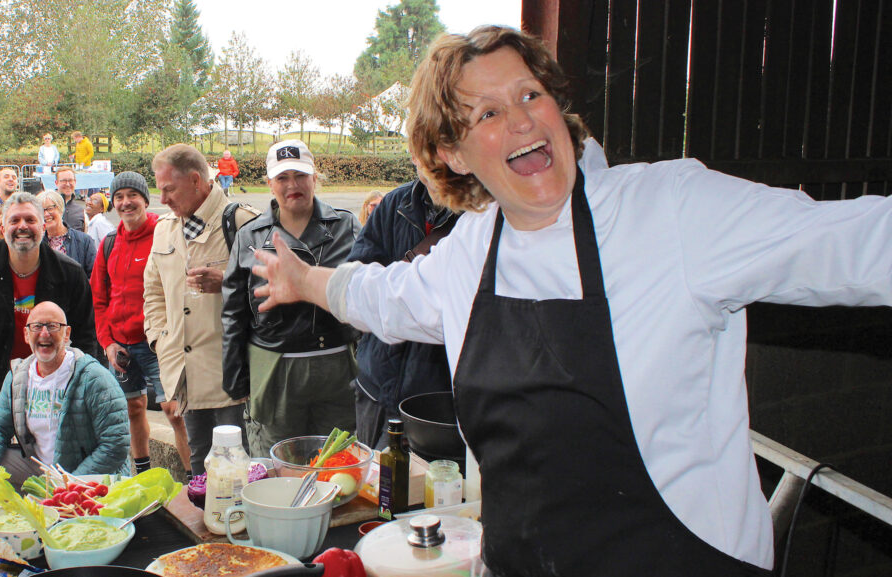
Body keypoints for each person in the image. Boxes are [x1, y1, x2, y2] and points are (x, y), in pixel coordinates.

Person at [248, 26, 892, 576]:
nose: (523, 119)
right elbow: (386, 297)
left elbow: (858, 244)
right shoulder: (474, 247)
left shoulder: (670, 211)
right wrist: (305, 281)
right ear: (453, 153)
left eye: (531, 95)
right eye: (488, 113)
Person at [221, 139, 360, 458]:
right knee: (276, 467)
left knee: (338, 465)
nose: (292, 185)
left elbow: (365, 294)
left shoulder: (346, 226)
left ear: (315, 177)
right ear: (269, 183)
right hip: (275, 370)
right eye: (282, 177)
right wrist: (237, 381)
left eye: (300, 175)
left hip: (337, 368)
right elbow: (233, 313)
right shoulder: (250, 236)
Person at [0, 192, 97, 492]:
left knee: (51, 448)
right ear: (1, 226)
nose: (22, 226)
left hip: (50, 378)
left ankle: (53, 504)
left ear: (43, 224)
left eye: (30, 219)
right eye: (14, 220)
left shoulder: (68, 272)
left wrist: (84, 383)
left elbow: (85, 334)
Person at [145, 144, 257, 474]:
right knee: (201, 471)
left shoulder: (242, 223)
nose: (162, 199)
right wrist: (160, 341)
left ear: (196, 180)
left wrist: (226, 282)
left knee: (242, 469)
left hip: (233, 381)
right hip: (184, 375)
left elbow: (272, 293)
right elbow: (152, 291)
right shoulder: (164, 227)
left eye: (168, 189)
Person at [346, 174, 458, 449]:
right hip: (376, 388)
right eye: (423, 150)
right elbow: (355, 274)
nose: (433, 161)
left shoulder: (480, 213)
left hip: (437, 402)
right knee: (373, 485)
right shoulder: (395, 203)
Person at [0, 301, 130, 493]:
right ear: (26, 334)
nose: (44, 333)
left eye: (53, 326)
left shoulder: (94, 377)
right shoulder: (18, 376)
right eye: (36, 326)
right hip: (42, 469)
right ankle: (28, 514)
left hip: (86, 473)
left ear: (67, 334)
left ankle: (53, 502)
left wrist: (70, 484)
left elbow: (115, 446)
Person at [93, 172, 190, 477]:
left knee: (175, 412)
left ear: (145, 200)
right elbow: (98, 298)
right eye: (119, 197)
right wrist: (107, 343)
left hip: (158, 344)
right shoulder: (109, 242)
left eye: (132, 196)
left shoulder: (163, 234)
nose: (125, 202)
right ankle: (144, 474)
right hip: (121, 347)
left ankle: (193, 479)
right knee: (133, 408)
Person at [37, 191, 95, 277]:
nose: (46, 214)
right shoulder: (37, 244)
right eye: (41, 210)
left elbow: (94, 277)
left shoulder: (84, 241)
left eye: (50, 208)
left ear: (60, 209)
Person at [53, 167, 86, 232]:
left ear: (75, 182)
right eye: (64, 181)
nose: (68, 184)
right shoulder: (49, 208)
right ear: (56, 183)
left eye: (70, 180)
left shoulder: (81, 211)